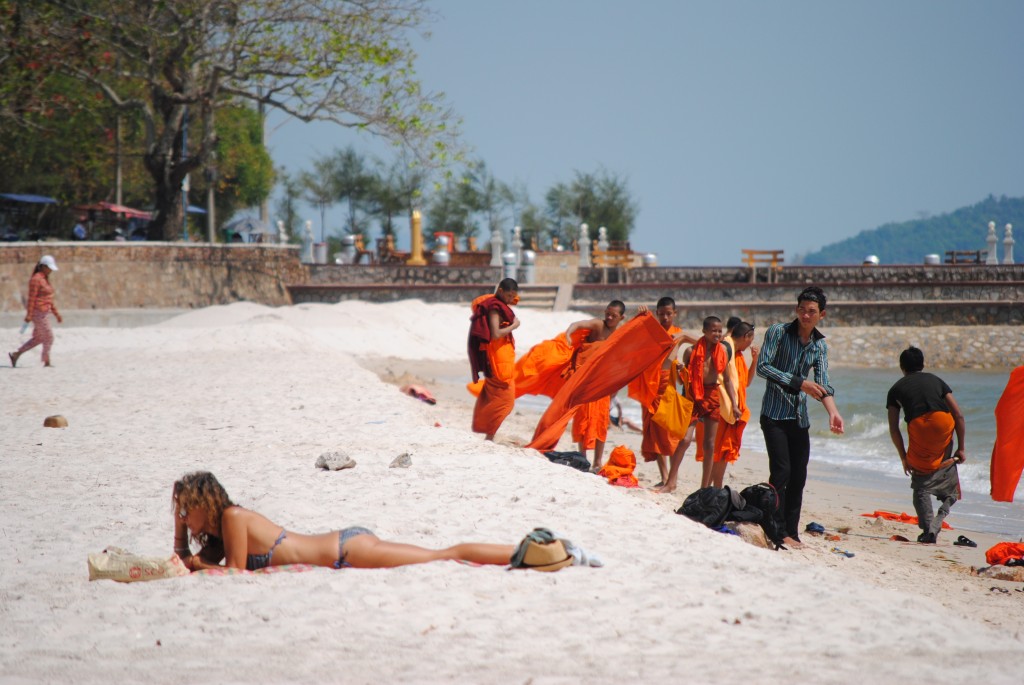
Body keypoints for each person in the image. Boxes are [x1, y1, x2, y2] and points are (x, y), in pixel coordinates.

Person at [172, 472, 529, 571]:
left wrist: (193, 562)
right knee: (441, 554)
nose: (185, 517)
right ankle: (525, 552)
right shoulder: (221, 533)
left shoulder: (234, 517)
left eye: (188, 510)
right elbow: (191, 562)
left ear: (206, 503)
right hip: (343, 550)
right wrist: (179, 533)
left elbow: (233, 573)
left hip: (347, 549)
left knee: (443, 554)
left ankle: (526, 552)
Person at [756, 286, 844, 549]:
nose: (806, 315)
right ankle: (775, 529)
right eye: (802, 310)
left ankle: (792, 533)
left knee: (799, 477)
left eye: (812, 311)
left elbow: (823, 383)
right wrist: (799, 383)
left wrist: (833, 412)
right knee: (781, 472)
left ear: (822, 315)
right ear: (796, 310)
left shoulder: (819, 346)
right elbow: (763, 367)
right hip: (773, 415)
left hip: (798, 419)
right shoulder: (778, 332)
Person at [886, 346, 966, 543]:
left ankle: (928, 529)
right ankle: (947, 499)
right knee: (945, 459)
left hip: (919, 425)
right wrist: (961, 448)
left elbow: (894, 428)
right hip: (943, 421)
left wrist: (904, 458)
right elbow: (958, 415)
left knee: (920, 484)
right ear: (922, 364)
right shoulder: (936, 380)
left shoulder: (895, 389)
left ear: (901, 367)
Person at [656, 316, 738, 493]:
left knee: (709, 445)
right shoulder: (691, 351)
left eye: (719, 330)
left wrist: (735, 404)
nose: (717, 334)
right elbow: (681, 380)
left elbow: (728, 381)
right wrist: (680, 370)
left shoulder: (722, 351)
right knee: (685, 440)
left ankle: (704, 488)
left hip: (713, 396)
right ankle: (670, 482)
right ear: (704, 331)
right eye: (713, 330)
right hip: (693, 397)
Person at [626, 297, 697, 485]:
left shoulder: (677, 333)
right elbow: (632, 340)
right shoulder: (652, 332)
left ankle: (671, 478)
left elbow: (700, 343)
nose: (665, 317)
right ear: (657, 313)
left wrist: (683, 339)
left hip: (668, 388)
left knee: (671, 434)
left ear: (675, 314)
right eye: (661, 314)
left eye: (668, 313)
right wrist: (641, 318)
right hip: (650, 387)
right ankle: (665, 477)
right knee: (655, 435)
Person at [562, 300, 626, 470]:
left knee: (601, 421)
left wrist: (615, 386)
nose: (609, 317)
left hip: (602, 383)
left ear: (622, 317)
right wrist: (568, 334)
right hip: (585, 380)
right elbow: (578, 324)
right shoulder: (598, 325)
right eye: (608, 313)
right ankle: (583, 458)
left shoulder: (619, 335)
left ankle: (597, 462)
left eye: (614, 315)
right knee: (583, 418)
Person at [468, 278, 520, 441]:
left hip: (500, 356)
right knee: (506, 400)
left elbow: (514, 300)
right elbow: (496, 333)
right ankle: (489, 435)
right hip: (497, 358)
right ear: (501, 291)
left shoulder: (499, 303)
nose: (511, 300)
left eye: (513, 297)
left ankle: (488, 433)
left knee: (492, 396)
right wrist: (514, 325)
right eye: (509, 296)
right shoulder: (494, 308)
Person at [710, 321, 759, 488]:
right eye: (750, 339)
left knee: (722, 452)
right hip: (723, 407)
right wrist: (734, 405)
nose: (750, 344)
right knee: (719, 452)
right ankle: (713, 489)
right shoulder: (727, 349)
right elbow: (725, 380)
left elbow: (746, 383)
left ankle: (710, 489)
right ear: (746, 336)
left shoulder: (737, 355)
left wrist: (754, 361)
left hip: (731, 409)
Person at [9, 255, 63, 368]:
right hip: (38, 313)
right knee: (49, 337)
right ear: (43, 266)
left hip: (44, 312)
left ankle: (16, 354)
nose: (51, 271)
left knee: (39, 338)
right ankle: (46, 361)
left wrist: (56, 313)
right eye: (49, 268)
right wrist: (29, 314)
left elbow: (48, 299)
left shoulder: (45, 279)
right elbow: (32, 298)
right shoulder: (36, 279)